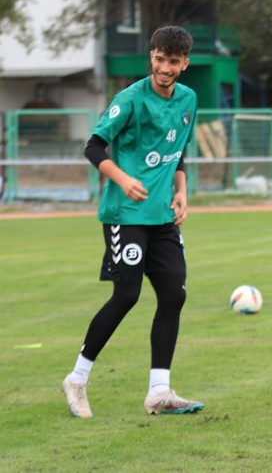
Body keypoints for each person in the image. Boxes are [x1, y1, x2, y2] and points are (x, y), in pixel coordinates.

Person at [62, 26, 204, 418]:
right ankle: (77, 379)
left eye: (173, 62)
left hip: (162, 217)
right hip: (125, 215)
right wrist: (122, 179)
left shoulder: (189, 99)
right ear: (152, 56)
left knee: (174, 294)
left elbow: (178, 152)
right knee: (127, 295)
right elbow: (92, 146)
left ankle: (159, 391)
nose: (164, 68)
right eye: (159, 59)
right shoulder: (129, 100)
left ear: (184, 64)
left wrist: (182, 191)